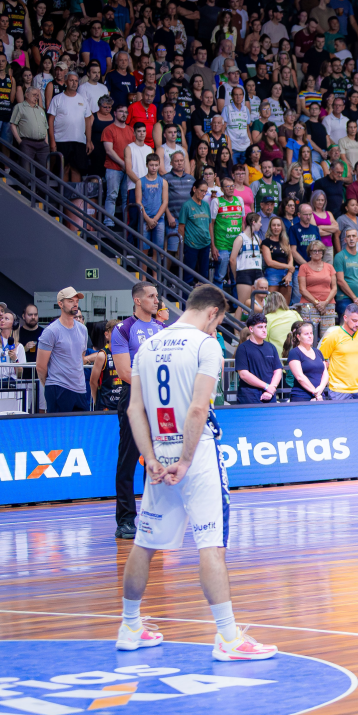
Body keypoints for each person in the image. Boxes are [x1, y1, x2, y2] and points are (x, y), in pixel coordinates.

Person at [117, 283, 279, 661]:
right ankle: (227, 637)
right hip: (196, 454)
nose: (215, 328)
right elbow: (197, 409)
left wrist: (150, 458)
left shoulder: (148, 345)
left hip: (159, 454)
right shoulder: (206, 345)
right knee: (211, 545)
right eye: (217, 322)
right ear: (213, 313)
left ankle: (129, 626)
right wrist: (187, 460)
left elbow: (134, 409)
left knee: (145, 543)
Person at [111, 281, 164, 539]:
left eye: (157, 296)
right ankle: (125, 520)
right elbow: (124, 372)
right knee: (129, 460)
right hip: (134, 397)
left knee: (155, 460)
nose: (156, 300)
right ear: (137, 300)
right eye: (151, 296)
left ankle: (152, 516)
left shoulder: (161, 328)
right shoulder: (123, 329)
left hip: (158, 398)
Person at [37, 287, 91, 413]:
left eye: (76, 301)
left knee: (80, 425)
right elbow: (40, 366)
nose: (75, 304)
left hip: (80, 388)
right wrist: (51, 384)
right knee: (59, 425)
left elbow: (80, 357)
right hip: (58, 387)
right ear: (60, 304)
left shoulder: (83, 329)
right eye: (70, 301)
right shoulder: (51, 331)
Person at [319, 302, 358, 399]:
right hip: (338, 390)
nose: (357, 324)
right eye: (354, 320)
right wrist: (327, 380)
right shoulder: (332, 336)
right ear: (345, 318)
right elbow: (322, 360)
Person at [234, 313, 283, 404]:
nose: (264, 330)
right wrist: (267, 387)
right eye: (260, 327)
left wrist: (271, 388)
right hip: (249, 396)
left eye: (265, 327)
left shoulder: (271, 347)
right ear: (251, 329)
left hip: (269, 395)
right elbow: (243, 374)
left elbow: (278, 370)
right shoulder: (243, 348)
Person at [286, 321, 328, 401]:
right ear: (298, 337)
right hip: (301, 396)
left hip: (319, 395)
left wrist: (320, 390)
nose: (310, 336)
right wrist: (315, 392)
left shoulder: (318, 352)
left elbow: (325, 373)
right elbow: (299, 377)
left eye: (311, 333)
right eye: (306, 334)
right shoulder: (295, 352)